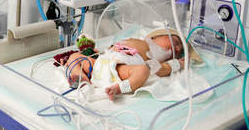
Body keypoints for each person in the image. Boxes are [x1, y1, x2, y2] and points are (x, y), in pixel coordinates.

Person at [63, 29, 202, 101]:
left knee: (144, 70)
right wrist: (98, 53)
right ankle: (82, 78)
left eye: (178, 51)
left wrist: (178, 64)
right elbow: (111, 48)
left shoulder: (153, 57)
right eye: (175, 42)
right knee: (74, 57)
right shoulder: (139, 40)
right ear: (156, 36)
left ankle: (118, 88)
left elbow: (162, 69)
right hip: (102, 62)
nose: (176, 48)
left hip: (120, 68)